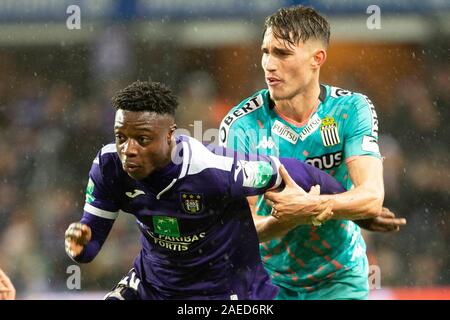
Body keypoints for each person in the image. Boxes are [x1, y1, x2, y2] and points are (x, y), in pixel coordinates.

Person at [64, 80, 352, 300]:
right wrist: (80, 245)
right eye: (121, 137)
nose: (129, 150)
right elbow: (89, 244)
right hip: (152, 287)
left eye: (142, 138)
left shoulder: (214, 170)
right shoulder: (108, 167)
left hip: (221, 292)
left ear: (169, 135)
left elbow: (290, 170)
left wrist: (356, 206)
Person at [219, 5, 406, 300]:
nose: (269, 64)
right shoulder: (240, 126)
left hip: (339, 275)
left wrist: (308, 207)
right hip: (267, 280)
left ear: (317, 59)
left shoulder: (351, 109)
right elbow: (241, 229)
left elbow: (371, 197)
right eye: (265, 51)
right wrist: (287, 220)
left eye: (282, 53)